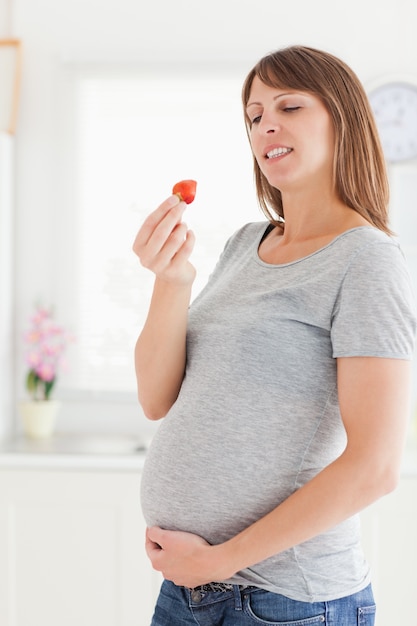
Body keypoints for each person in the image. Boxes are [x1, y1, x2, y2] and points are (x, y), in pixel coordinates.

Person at [132, 45, 416, 626]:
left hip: (286, 602)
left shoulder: (367, 260)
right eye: (255, 115)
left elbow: (376, 465)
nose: (267, 126)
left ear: (344, 120)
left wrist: (220, 561)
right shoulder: (246, 242)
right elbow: (157, 398)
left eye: (289, 106)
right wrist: (171, 281)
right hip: (191, 590)